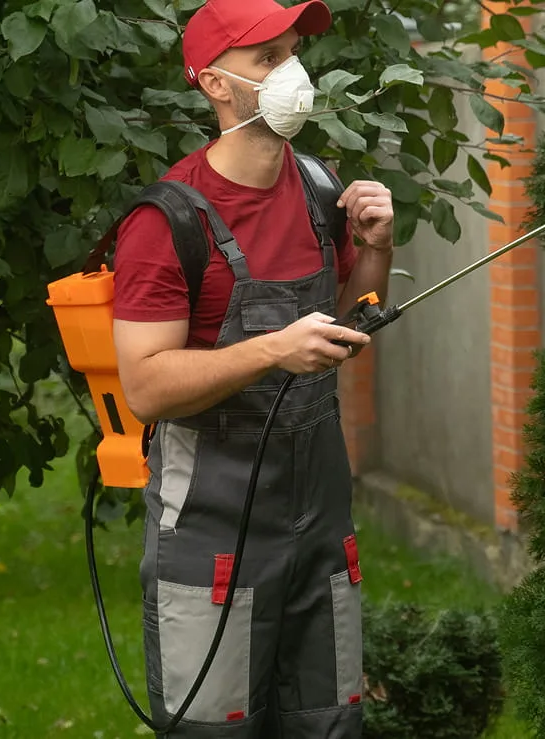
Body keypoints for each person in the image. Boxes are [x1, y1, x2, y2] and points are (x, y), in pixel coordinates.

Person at [109, 0, 393, 734]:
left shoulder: (320, 189)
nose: (293, 72)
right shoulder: (169, 221)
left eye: (293, 53)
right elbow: (145, 387)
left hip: (321, 517)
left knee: (328, 724)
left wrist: (376, 251)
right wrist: (271, 348)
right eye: (267, 58)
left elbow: (347, 322)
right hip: (213, 526)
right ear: (215, 84)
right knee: (217, 729)